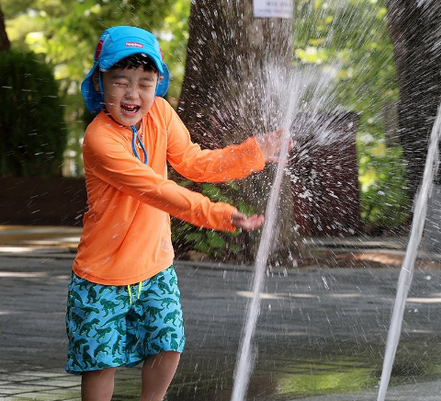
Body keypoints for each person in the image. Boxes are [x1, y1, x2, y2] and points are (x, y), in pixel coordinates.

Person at [66, 25, 281, 401]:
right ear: (100, 84)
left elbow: (195, 163)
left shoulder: (161, 114)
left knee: (168, 345)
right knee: (100, 363)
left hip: (155, 265)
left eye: (145, 83)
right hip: (102, 274)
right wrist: (216, 213)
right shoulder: (100, 140)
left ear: (158, 84)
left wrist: (253, 153)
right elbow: (155, 189)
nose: (133, 94)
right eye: (121, 82)